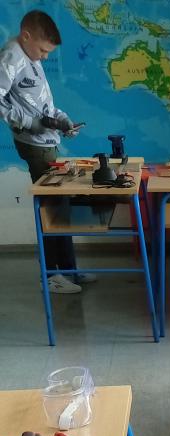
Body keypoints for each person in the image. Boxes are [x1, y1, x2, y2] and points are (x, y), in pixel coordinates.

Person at [0, 9, 92, 294]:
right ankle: (52, 275)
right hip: (35, 146)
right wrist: (29, 123)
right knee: (51, 210)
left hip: (47, 141)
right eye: (43, 50)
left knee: (59, 207)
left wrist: (62, 121)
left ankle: (69, 271)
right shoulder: (12, 56)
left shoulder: (31, 58)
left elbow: (41, 104)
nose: (45, 56)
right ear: (26, 36)